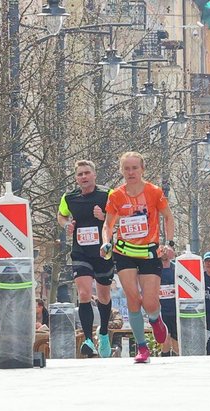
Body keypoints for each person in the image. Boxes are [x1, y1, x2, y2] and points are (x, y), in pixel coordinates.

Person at [100, 151, 175, 364]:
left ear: (142, 169)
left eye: (134, 168)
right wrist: (106, 241)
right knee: (133, 299)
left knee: (150, 302)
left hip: (149, 252)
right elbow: (108, 223)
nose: (130, 172)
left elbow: (168, 217)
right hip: (124, 252)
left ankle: (155, 319)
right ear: (121, 171)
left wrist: (168, 244)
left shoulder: (154, 192)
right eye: (126, 168)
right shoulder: (116, 195)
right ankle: (142, 348)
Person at [57, 159, 114, 358]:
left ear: (94, 175)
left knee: (104, 296)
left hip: (102, 251)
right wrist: (66, 225)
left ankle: (104, 333)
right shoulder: (69, 197)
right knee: (83, 293)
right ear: (76, 178)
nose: (83, 177)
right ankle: (88, 339)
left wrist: (104, 217)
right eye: (80, 174)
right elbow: (61, 215)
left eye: (87, 173)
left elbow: (118, 217)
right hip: (80, 251)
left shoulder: (108, 194)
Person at [157, 250, 179, 356]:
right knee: (165, 341)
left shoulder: (176, 268)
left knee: (176, 344)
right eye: (162, 252)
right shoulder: (156, 269)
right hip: (162, 311)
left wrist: (177, 290)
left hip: (175, 311)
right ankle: (164, 362)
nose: (164, 254)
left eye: (166, 252)